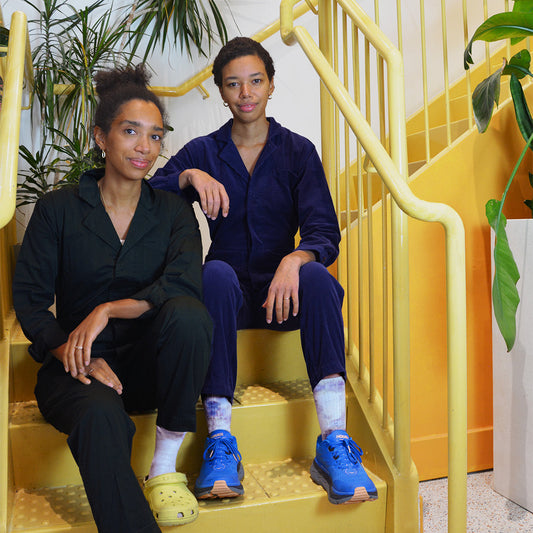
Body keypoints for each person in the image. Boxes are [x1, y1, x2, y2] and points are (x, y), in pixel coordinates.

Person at [149, 37, 377, 505]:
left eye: (255, 81)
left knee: (317, 278)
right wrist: (189, 177)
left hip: (284, 296)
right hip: (225, 296)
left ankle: (334, 441)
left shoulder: (297, 152)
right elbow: (148, 191)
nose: (246, 92)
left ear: (271, 85)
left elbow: (323, 231)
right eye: (233, 84)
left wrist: (295, 258)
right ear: (221, 91)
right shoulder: (203, 152)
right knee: (211, 274)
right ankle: (219, 441)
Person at [12, 65, 213, 532]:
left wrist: (108, 309)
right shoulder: (57, 210)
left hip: (152, 368)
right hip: (77, 369)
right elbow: (30, 301)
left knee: (189, 315)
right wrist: (72, 354)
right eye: (130, 132)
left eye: (156, 136)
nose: (145, 147)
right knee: (101, 418)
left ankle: (164, 465)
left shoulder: (173, 213)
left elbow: (184, 285)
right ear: (102, 138)